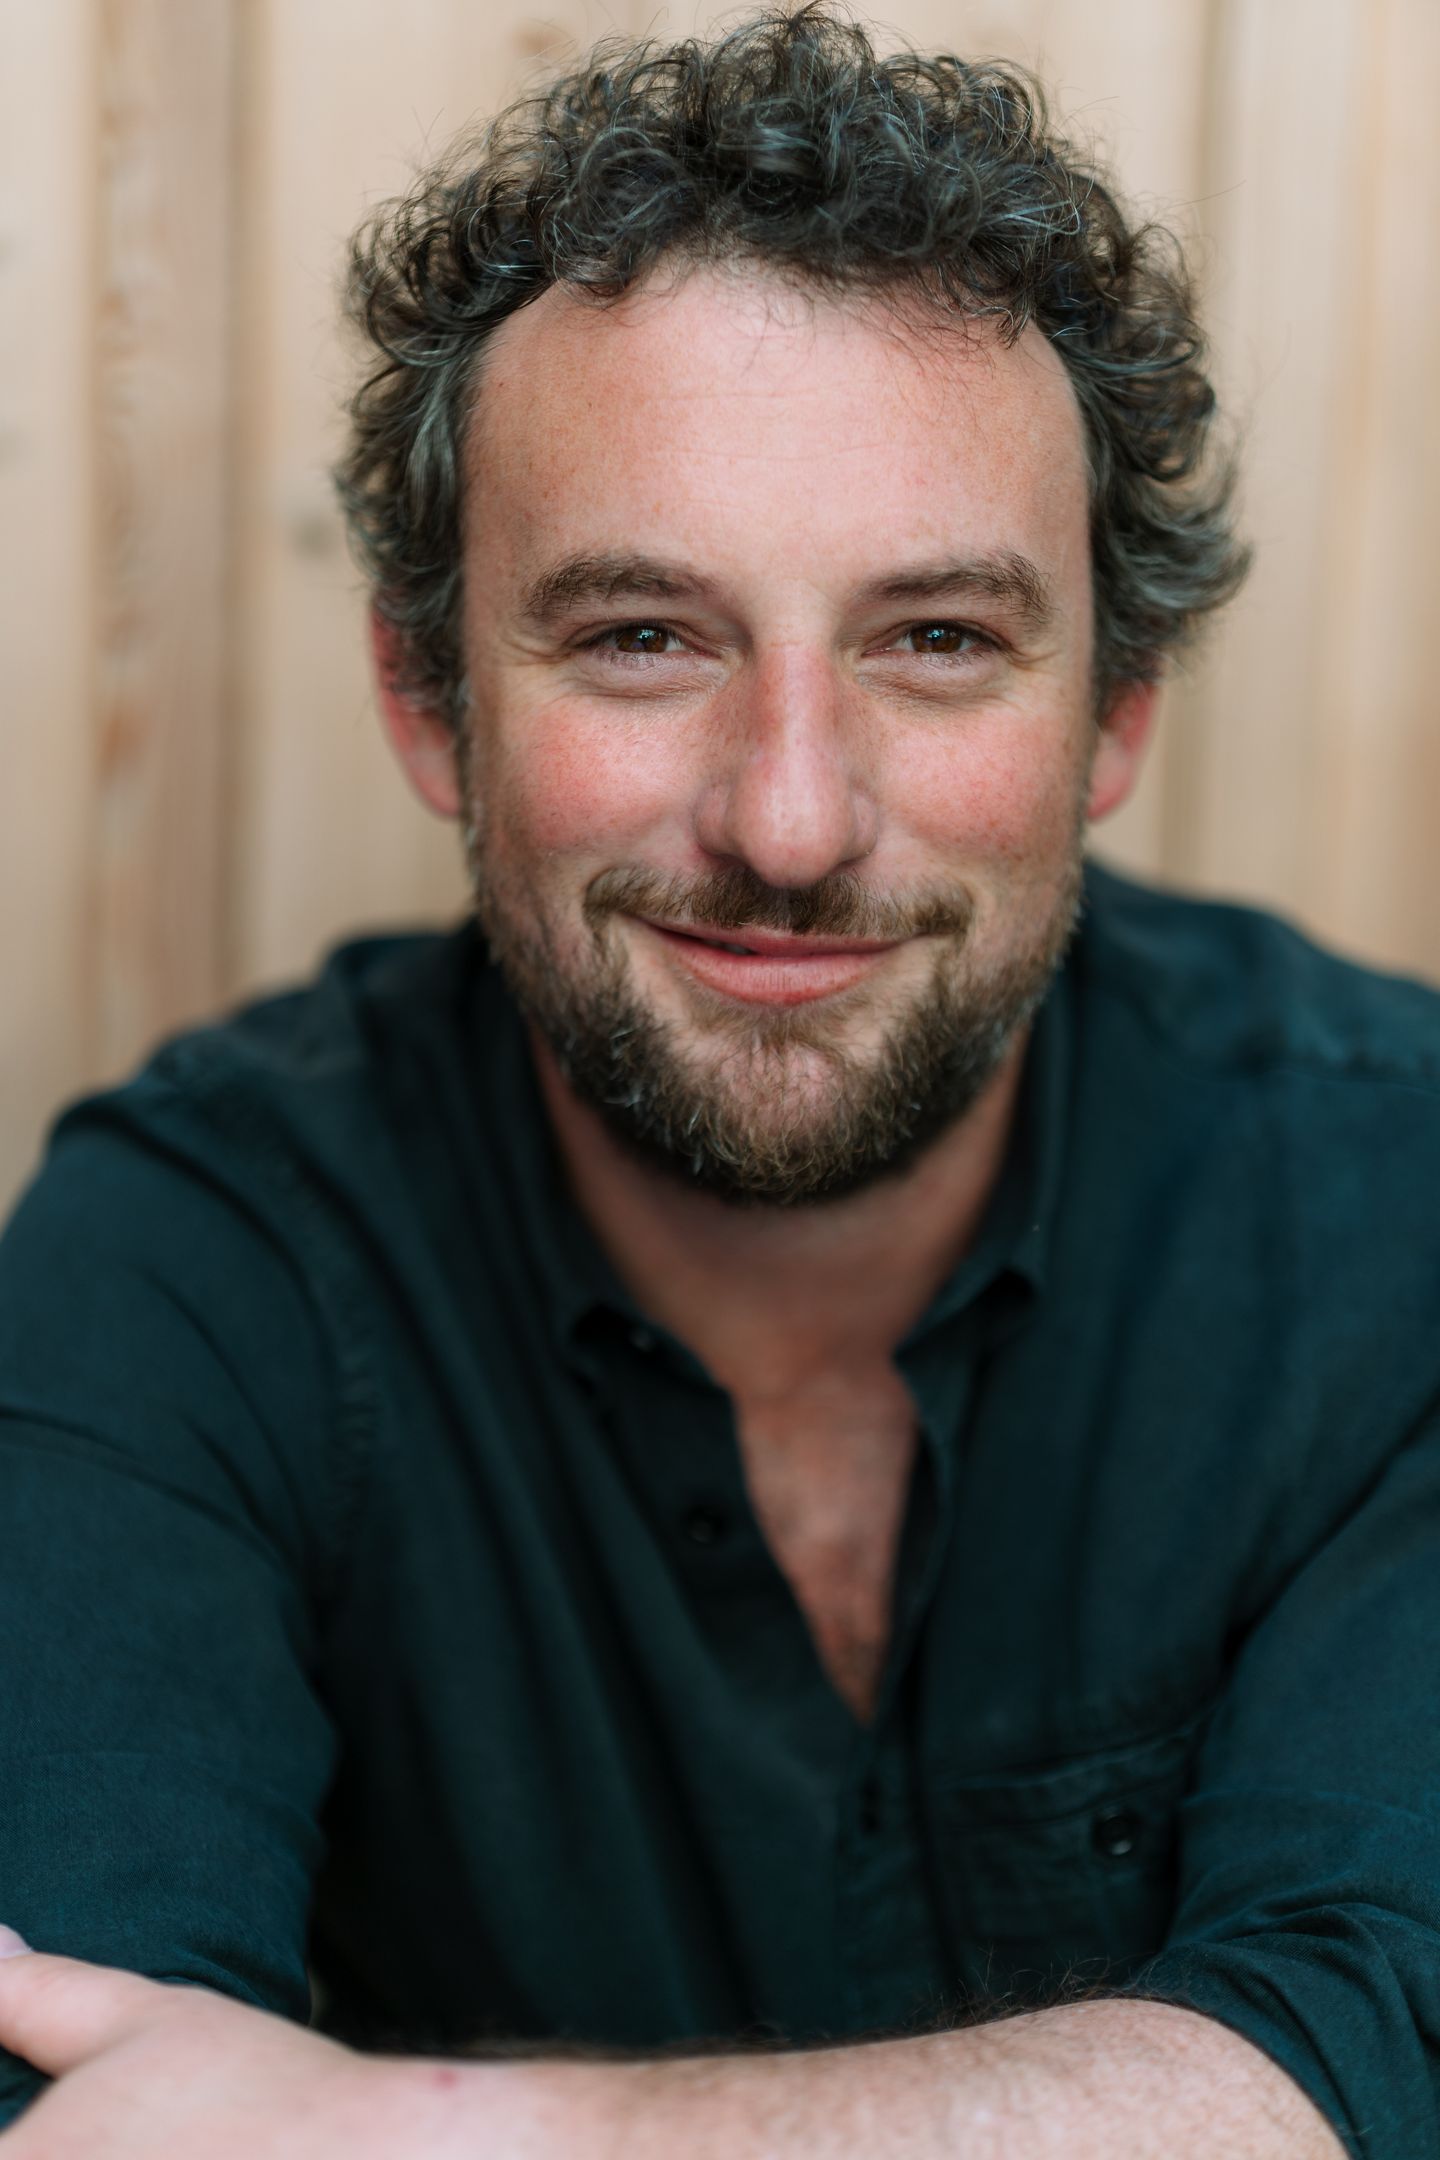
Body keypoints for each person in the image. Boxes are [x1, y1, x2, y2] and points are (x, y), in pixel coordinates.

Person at [0, 7, 1435, 2153]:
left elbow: (1381, 2048)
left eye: (936, 639)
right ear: (429, 700)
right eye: (642, 637)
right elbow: (73, 2097)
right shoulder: (185, 1266)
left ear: (1118, 709)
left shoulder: (1400, 1205)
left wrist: (445, 2133)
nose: (788, 818)